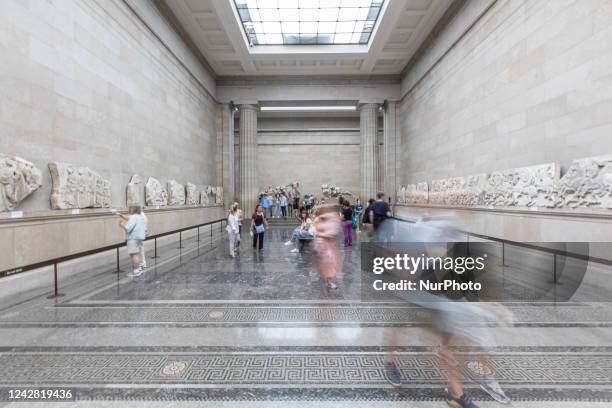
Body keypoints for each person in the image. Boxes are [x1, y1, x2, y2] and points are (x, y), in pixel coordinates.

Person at [312, 204, 341, 289]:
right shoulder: (318, 219)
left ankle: (328, 280)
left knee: (329, 263)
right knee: (326, 264)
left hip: (327, 245)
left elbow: (332, 233)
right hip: (322, 245)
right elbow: (316, 232)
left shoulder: (329, 218)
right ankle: (328, 281)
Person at [118, 206, 146, 277]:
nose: (128, 209)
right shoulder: (140, 217)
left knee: (133, 255)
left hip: (132, 238)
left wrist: (121, 225)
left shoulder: (133, 217)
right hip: (138, 238)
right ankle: (138, 269)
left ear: (133, 209)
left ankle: (136, 271)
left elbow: (128, 228)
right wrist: (121, 215)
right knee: (136, 254)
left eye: (130, 208)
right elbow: (128, 218)